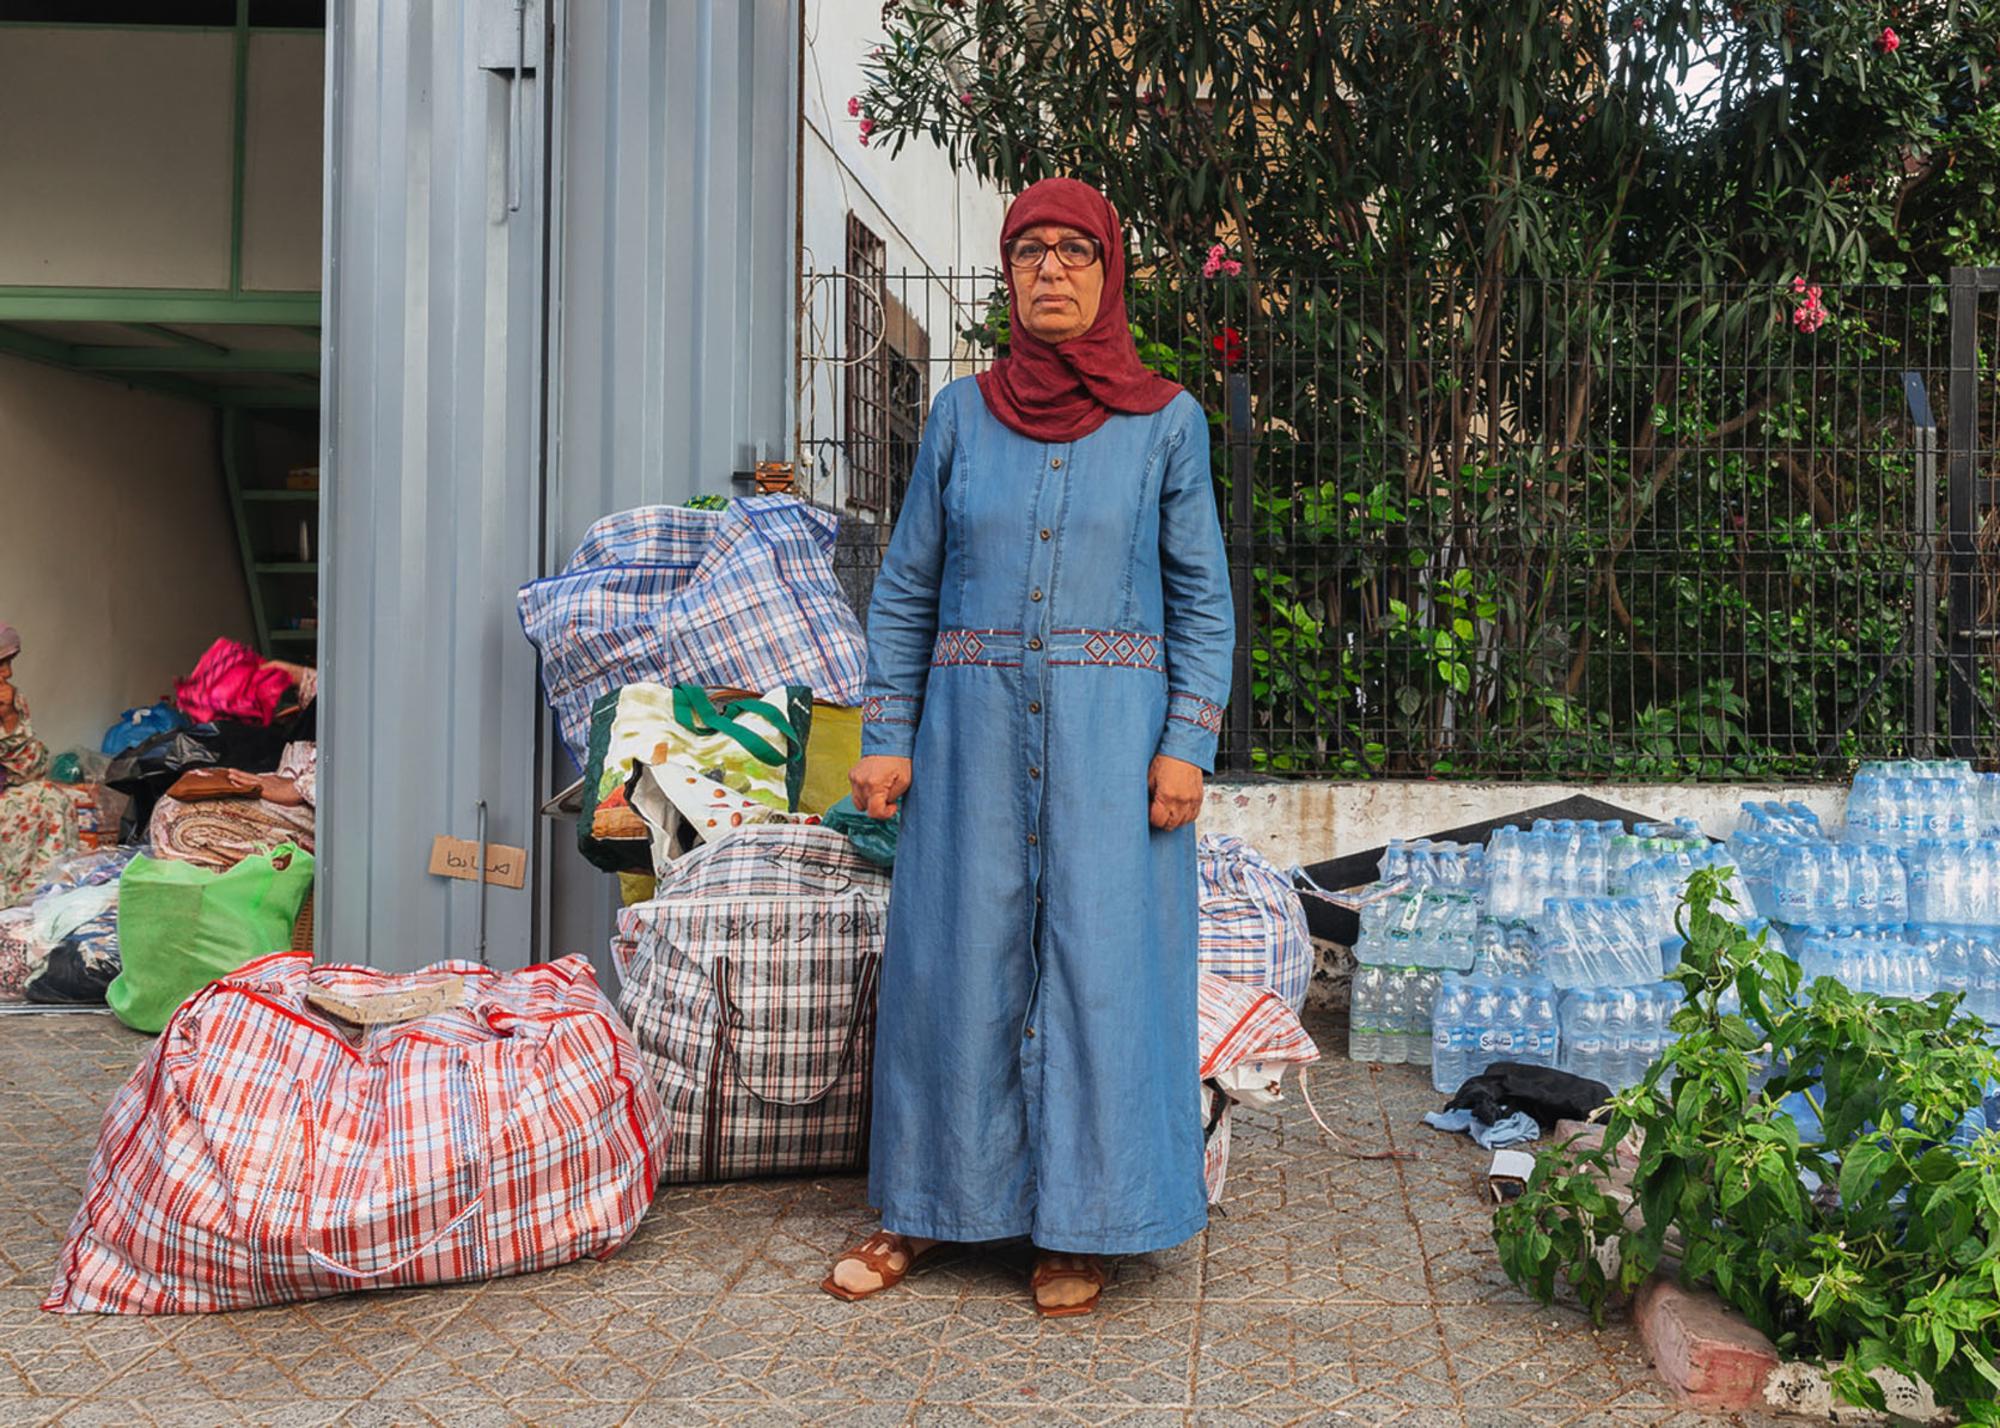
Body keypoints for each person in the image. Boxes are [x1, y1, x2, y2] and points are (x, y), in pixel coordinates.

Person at [824, 179, 1235, 1317]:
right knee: (953, 965)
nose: (1049, 271)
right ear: (1006, 276)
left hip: (1115, 753)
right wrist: (888, 734)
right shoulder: (960, 415)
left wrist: (1185, 742)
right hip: (968, 747)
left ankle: (1081, 1225)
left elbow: (1200, 597)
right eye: (1028, 253)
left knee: (1102, 974)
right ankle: (921, 1209)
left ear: (1109, 273)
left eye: (1073, 252)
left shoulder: (1167, 422)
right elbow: (905, 585)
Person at [0, 624, 81, 907]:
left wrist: (10, 722)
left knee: (52, 798)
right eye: (0, 663)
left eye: (9, 662)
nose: (7, 673)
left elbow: (33, 770)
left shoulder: (11, 700)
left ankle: (41, 896)